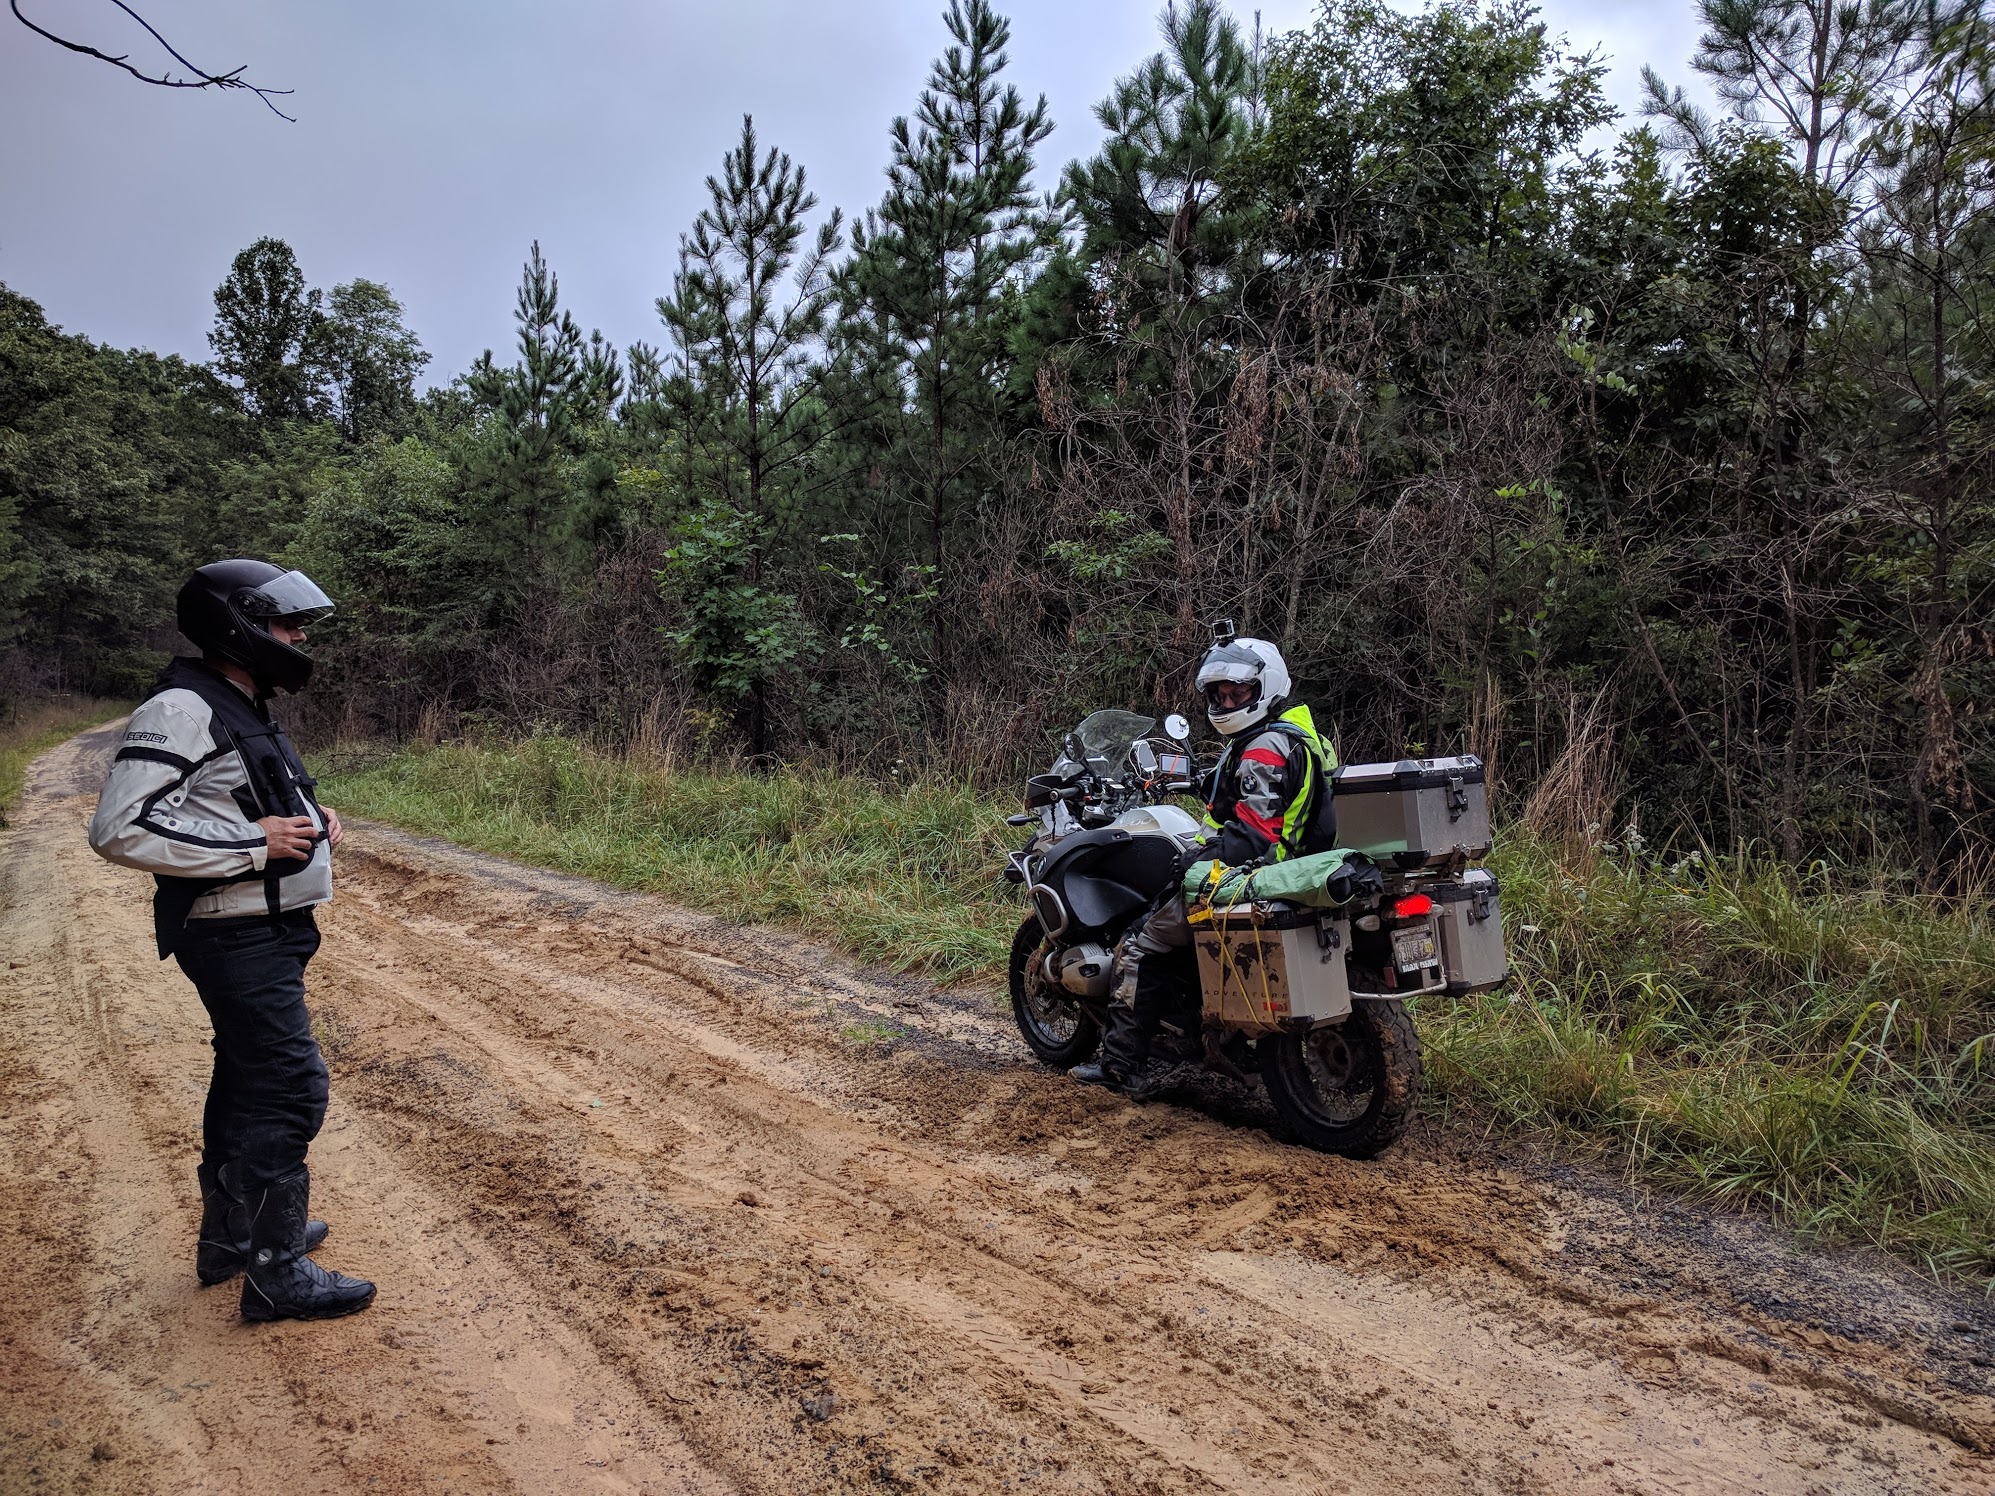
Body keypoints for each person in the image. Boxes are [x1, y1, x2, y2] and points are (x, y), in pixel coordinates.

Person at [88, 559, 376, 1322]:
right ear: (237, 626)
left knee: (248, 1079)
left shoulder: (240, 701)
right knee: (289, 1087)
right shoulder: (184, 706)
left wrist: (314, 823)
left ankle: (228, 1239)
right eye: (287, 623)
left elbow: (237, 799)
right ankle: (276, 1270)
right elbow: (121, 824)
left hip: (264, 929)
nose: (299, 636)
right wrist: (252, 846)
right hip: (234, 932)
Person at [1069, 634, 1337, 1099]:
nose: (1227, 702)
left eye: (1239, 693)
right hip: (1293, 864)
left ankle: (1120, 1067)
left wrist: (1195, 858)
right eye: (1219, 695)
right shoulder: (1292, 736)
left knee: (1140, 941)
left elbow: (1253, 832)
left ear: (1267, 687)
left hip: (1253, 872)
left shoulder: (1262, 749)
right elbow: (1238, 795)